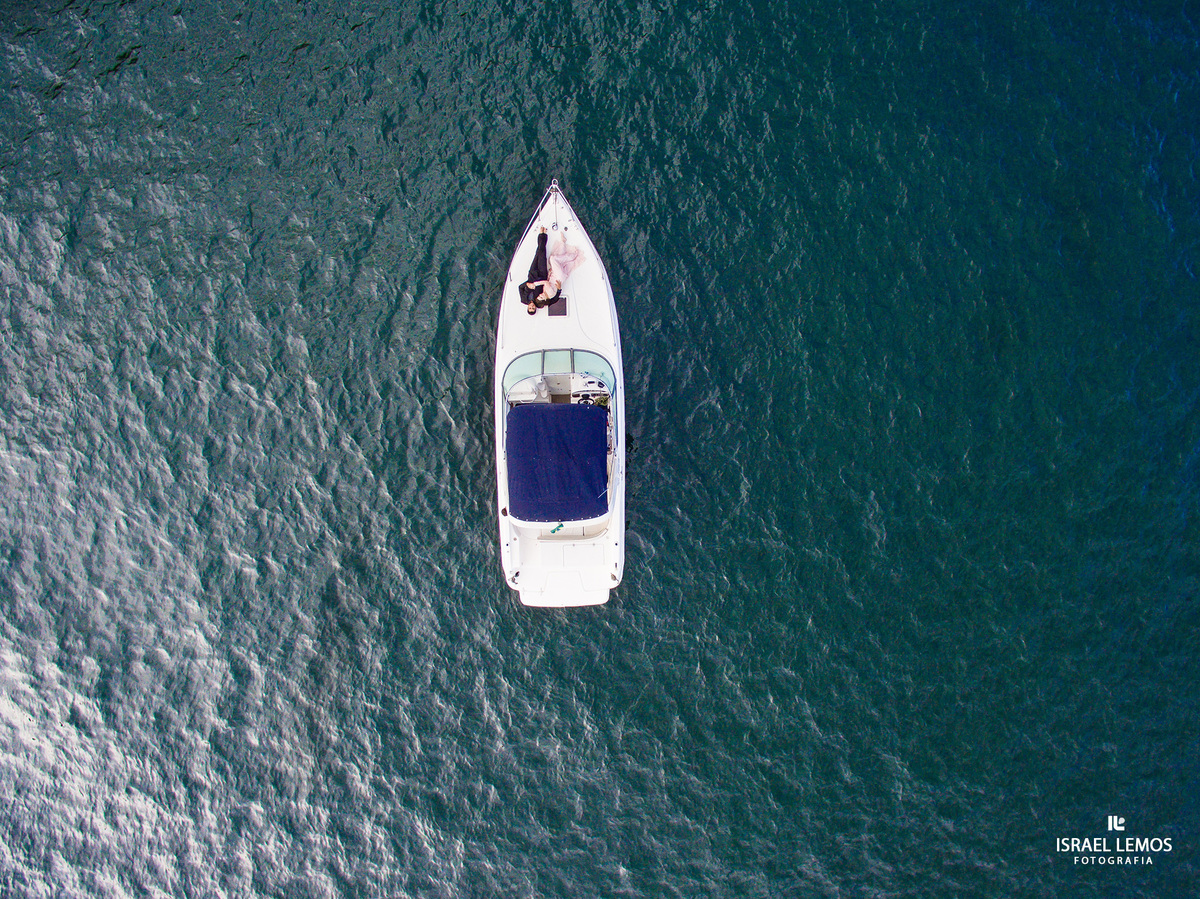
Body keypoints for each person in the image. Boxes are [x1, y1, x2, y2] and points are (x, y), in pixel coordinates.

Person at [519, 227, 562, 314]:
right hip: (542, 276)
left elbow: (520, 287)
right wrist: (559, 290)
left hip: (532, 275)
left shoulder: (524, 300)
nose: (532, 306)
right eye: (533, 308)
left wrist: (527, 284)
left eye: (530, 308)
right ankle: (542, 234)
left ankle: (542, 234)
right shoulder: (540, 303)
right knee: (542, 254)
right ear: (535, 308)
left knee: (537, 254)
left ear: (527, 307)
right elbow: (554, 300)